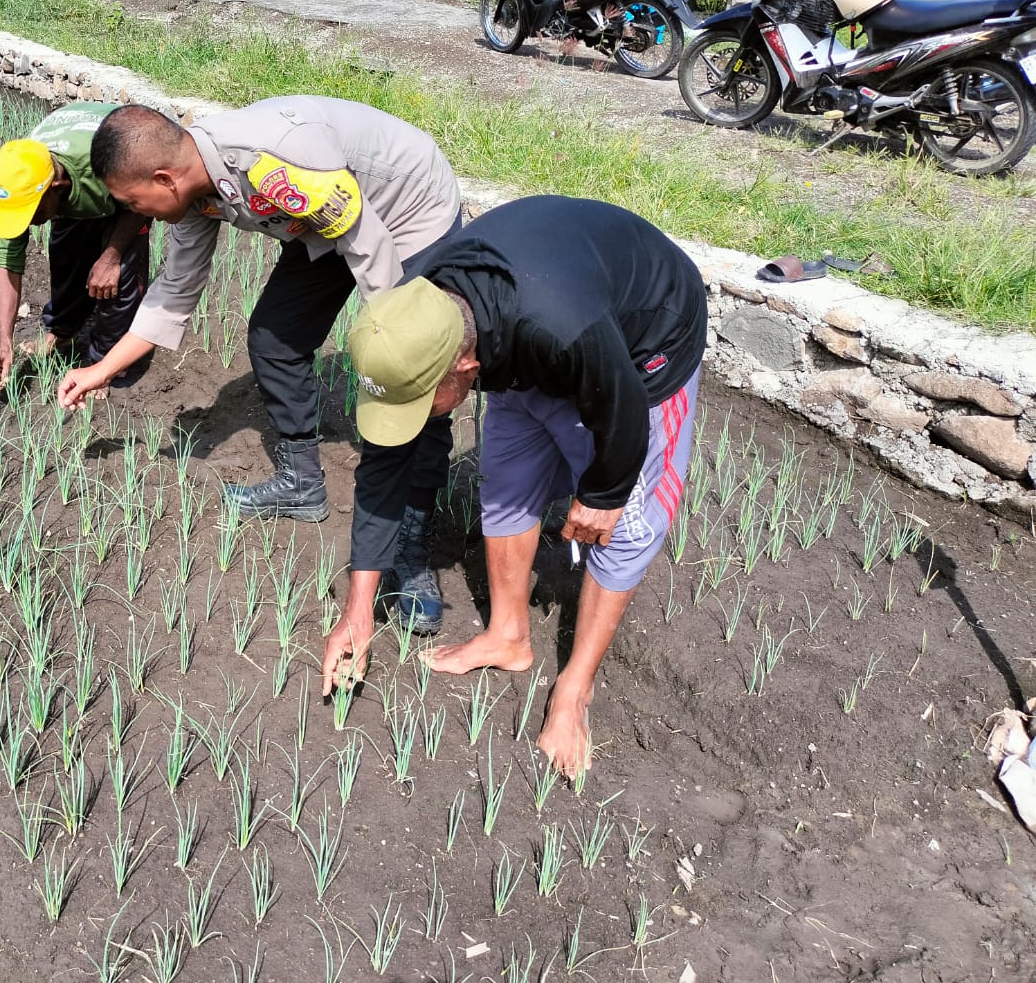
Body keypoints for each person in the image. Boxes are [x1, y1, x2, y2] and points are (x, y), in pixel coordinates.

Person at [322, 197, 708, 778]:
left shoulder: (564, 329)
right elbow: (384, 467)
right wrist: (359, 610)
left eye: (420, 403)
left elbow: (624, 406)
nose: (413, 417)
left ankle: (576, 688)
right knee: (506, 477)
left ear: (464, 368)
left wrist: (603, 494)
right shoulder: (413, 318)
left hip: (645, 345)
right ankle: (508, 635)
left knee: (624, 524)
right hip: (535, 331)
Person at [56, 98, 461, 623]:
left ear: (164, 180)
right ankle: (302, 484)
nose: (136, 214)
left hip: (405, 211)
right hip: (326, 220)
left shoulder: (276, 164)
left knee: (411, 375)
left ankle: (412, 536)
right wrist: (100, 371)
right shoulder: (193, 192)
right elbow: (175, 290)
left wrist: (395, 348)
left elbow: (370, 249)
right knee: (274, 338)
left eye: (133, 202)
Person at [0, 101, 152, 389]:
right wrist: (5, 341)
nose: (28, 223)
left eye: (31, 213)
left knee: (117, 277)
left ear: (56, 188)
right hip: (76, 185)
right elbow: (8, 261)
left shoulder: (103, 163)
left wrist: (111, 257)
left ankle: (106, 361)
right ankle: (63, 331)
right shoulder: (22, 177)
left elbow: (142, 201)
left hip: (129, 187)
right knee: (66, 259)